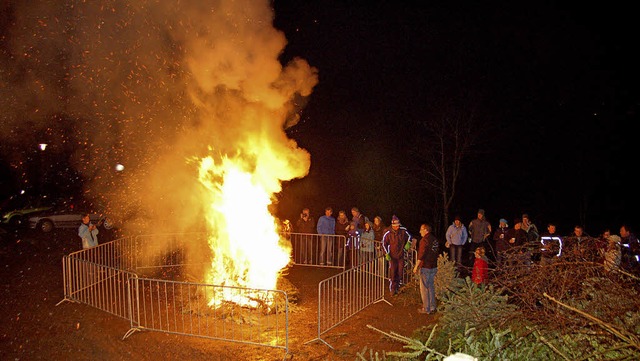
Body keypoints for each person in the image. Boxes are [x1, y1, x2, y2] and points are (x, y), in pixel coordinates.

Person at [382, 215, 412, 296]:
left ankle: (398, 287)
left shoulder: (403, 231)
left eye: (398, 225)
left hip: (401, 255)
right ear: (392, 225)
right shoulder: (388, 233)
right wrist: (386, 254)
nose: (397, 227)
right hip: (392, 256)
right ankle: (392, 288)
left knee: (400, 272)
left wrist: (408, 243)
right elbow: (384, 244)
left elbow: (409, 236)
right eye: (396, 225)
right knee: (393, 273)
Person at [413, 223, 439, 314]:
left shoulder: (424, 240)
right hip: (433, 266)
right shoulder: (435, 239)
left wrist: (416, 266)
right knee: (431, 287)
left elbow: (421, 255)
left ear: (426, 230)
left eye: (421, 229)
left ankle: (426, 308)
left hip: (426, 267)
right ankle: (433, 307)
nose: (420, 231)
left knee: (424, 288)